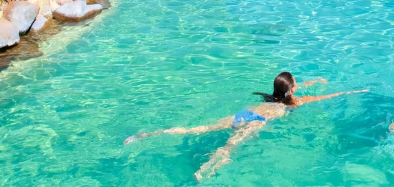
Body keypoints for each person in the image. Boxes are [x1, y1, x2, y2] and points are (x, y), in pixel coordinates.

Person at [124, 73, 367, 182]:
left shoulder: (271, 96)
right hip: (256, 122)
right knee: (229, 149)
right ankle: (204, 171)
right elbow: (326, 97)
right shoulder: (294, 103)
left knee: (198, 129)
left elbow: (293, 86)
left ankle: (149, 134)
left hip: (243, 114)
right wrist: (353, 91)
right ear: (291, 90)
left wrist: (315, 80)